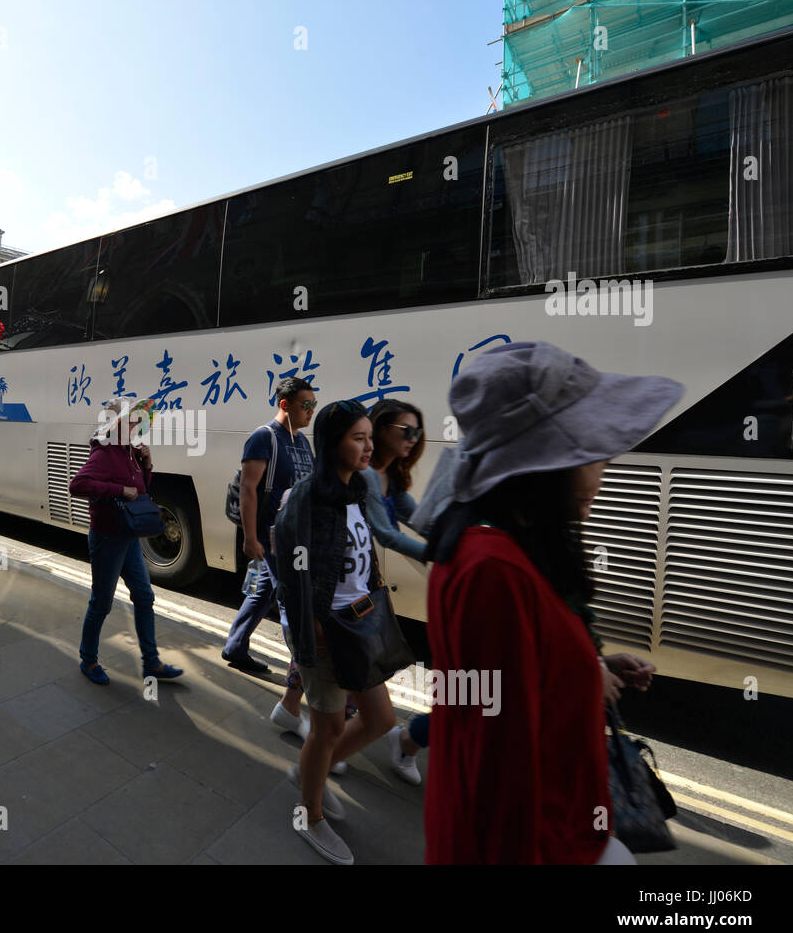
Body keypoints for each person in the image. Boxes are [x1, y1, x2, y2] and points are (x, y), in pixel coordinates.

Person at [423, 341, 677, 865]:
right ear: (540, 464)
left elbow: (518, 679)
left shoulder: (495, 547)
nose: (599, 473)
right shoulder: (493, 571)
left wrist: (591, 665)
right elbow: (500, 769)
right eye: (587, 453)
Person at [272, 399, 411, 865]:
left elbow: (363, 556)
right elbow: (292, 572)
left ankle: (312, 771)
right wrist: (313, 629)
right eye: (359, 438)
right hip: (326, 631)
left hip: (360, 624)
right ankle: (309, 813)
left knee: (381, 720)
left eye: (372, 437)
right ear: (334, 443)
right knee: (328, 726)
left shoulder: (355, 491)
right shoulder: (308, 498)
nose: (370, 446)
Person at [68, 399, 184, 686]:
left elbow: (141, 490)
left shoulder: (129, 452)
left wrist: (147, 463)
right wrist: (120, 489)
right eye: (131, 421)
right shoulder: (105, 454)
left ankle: (151, 662)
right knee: (102, 603)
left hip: (129, 537)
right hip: (108, 538)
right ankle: (88, 659)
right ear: (116, 424)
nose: (136, 425)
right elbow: (77, 485)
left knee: (145, 596)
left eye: (137, 421)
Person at [222, 377, 316, 676]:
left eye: (314, 405)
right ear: (284, 404)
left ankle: (235, 646)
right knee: (292, 602)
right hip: (272, 535)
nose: (311, 411)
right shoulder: (264, 437)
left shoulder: (302, 441)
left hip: (297, 536)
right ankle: (304, 675)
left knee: (263, 590)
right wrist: (250, 538)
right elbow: (249, 489)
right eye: (306, 405)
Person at [363, 399, 431, 785]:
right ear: (381, 428)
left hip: (364, 580)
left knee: (356, 658)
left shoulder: (392, 475)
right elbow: (385, 533)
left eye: (417, 432)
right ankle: (333, 740)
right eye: (406, 430)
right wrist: (439, 551)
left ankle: (337, 733)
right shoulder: (370, 475)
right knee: (349, 657)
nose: (413, 438)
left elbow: (422, 521)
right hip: (346, 578)